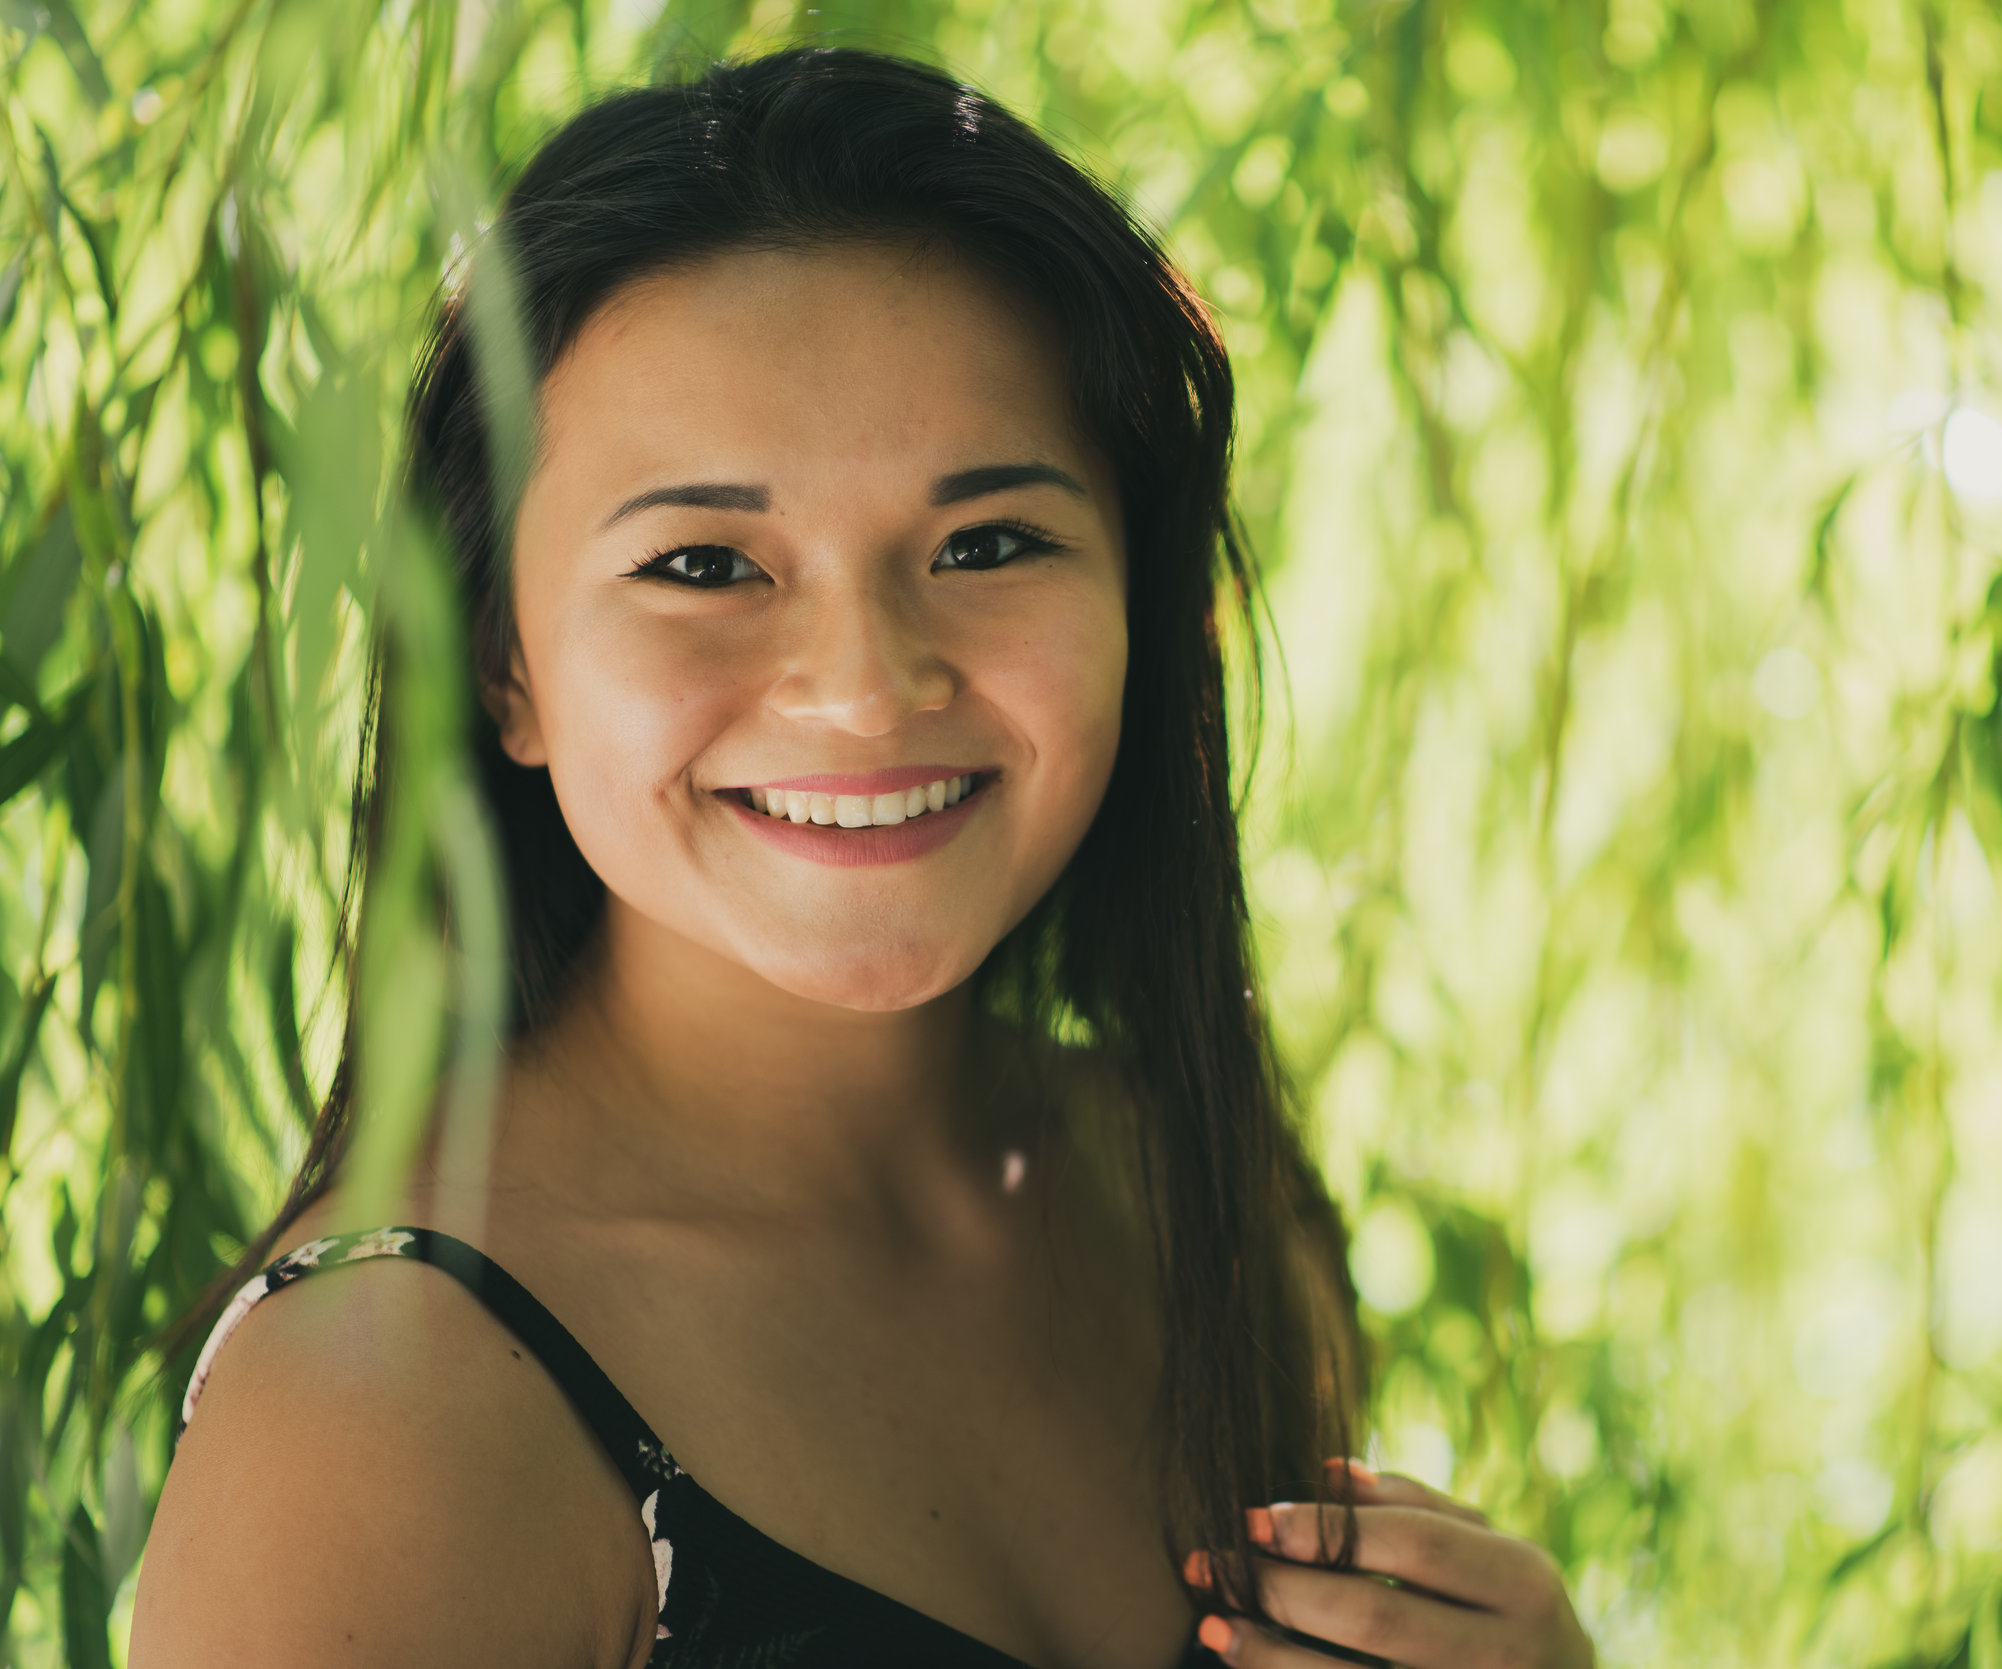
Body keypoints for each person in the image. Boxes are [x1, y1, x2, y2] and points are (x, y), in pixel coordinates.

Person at [132, 47, 1593, 1669]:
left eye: (987, 543)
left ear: (1146, 611)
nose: (866, 684)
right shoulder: (390, 1401)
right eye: (703, 562)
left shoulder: (1201, 1199)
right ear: (507, 664)